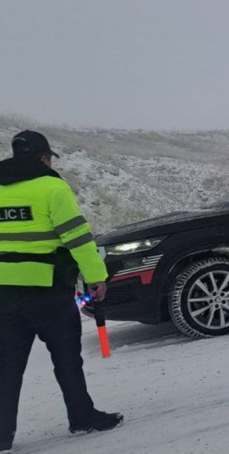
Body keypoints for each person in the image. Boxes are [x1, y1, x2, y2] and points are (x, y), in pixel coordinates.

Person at [0, 131, 123, 453]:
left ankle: (1, 435)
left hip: (5, 293)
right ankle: (81, 418)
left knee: (7, 366)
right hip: (49, 292)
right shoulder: (52, 187)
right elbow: (77, 238)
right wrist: (97, 277)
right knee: (67, 358)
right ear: (44, 158)